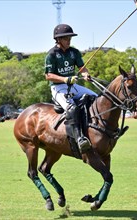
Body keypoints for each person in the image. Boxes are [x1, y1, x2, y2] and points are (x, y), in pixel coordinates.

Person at [45, 24, 97, 153]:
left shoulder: (74, 52)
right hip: (58, 88)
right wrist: (65, 79)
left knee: (96, 98)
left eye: (70, 38)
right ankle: (80, 138)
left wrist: (85, 74)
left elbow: (81, 67)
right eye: (66, 38)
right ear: (58, 40)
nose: (69, 41)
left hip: (73, 85)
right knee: (71, 108)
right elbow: (48, 75)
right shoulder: (51, 54)